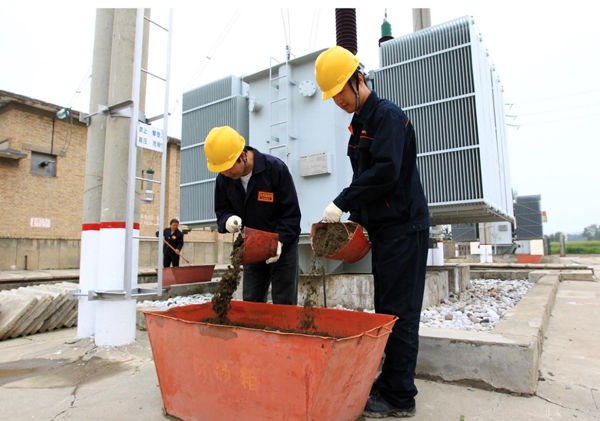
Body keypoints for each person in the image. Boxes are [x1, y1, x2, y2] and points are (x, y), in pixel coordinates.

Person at [315, 46, 430, 418]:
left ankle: (400, 396)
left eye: (340, 91)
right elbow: (367, 180)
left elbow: (385, 173)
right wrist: (356, 219)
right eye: (332, 96)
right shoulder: (360, 124)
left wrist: (343, 200)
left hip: (403, 227)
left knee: (400, 312)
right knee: (388, 310)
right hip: (385, 230)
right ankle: (390, 381)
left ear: (358, 79)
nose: (338, 100)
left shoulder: (387, 116)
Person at [204, 126, 301, 305]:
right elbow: (222, 210)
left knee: (284, 304)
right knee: (251, 303)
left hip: (282, 249)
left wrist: (279, 241)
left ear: (242, 156)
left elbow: (292, 214)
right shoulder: (224, 179)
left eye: (228, 168)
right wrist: (228, 220)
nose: (226, 174)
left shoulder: (275, 169)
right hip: (252, 248)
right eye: (222, 170)